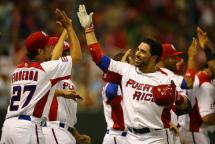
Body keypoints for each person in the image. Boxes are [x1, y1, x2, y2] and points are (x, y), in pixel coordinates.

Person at [77, 4, 190, 144]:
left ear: (154, 57)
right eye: (138, 49)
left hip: (157, 137)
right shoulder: (126, 70)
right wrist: (89, 29)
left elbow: (185, 107)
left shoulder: (166, 78)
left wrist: (177, 97)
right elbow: (98, 57)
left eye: (143, 51)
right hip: (131, 137)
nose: (137, 53)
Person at [0, 8, 82, 144]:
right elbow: (77, 57)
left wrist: (61, 92)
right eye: (48, 46)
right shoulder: (44, 69)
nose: (50, 49)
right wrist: (69, 28)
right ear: (39, 50)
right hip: (28, 128)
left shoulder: (18, 69)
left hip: (8, 127)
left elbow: (35, 92)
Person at [42, 35, 91, 144]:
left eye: (67, 53)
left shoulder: (69, 81)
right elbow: (77, 57)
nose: (66, 57)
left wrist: (76, 135)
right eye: (62, 54)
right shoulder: (47, 71)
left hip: (66, 131)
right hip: (52, 129)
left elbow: (65, 116)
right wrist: (66, 31)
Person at [178, 27, 215, 144]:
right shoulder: (205, 84)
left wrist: (207, 47)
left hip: (186, 132)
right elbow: (207, 117)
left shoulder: (202, 77)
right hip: (195, 134)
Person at [102, 50, 133, 144]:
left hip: (130, 136)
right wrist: (119, 71)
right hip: (117, 136)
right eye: (130, 65)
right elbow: (111, 92)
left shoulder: (128, 85)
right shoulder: (111, 84)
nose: (132, 68)